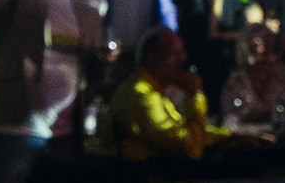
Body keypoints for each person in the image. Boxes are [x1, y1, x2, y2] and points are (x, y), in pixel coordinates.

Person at [0, 0, 106, 183]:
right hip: (15, 129)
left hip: (63, 135)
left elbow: (93, 73)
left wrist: (102, 63)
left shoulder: (86, 10)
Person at [95, 28, 225, 160]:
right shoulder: (143, 96)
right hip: (147, 178)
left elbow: (181, 131)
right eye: (174, 54)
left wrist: (232, 136)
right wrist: (195, 96)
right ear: (152, 59)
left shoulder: (149, 89)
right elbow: (190, 148)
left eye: (182, 54)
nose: (181, 61)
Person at [219, 25, 285, 128]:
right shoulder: (236, 82)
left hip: (279, 141)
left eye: (272, 44)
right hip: (246, 140)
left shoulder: (284, 79)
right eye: (262, 43)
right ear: (247, 48)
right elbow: (230, 119)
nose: (267, 49)